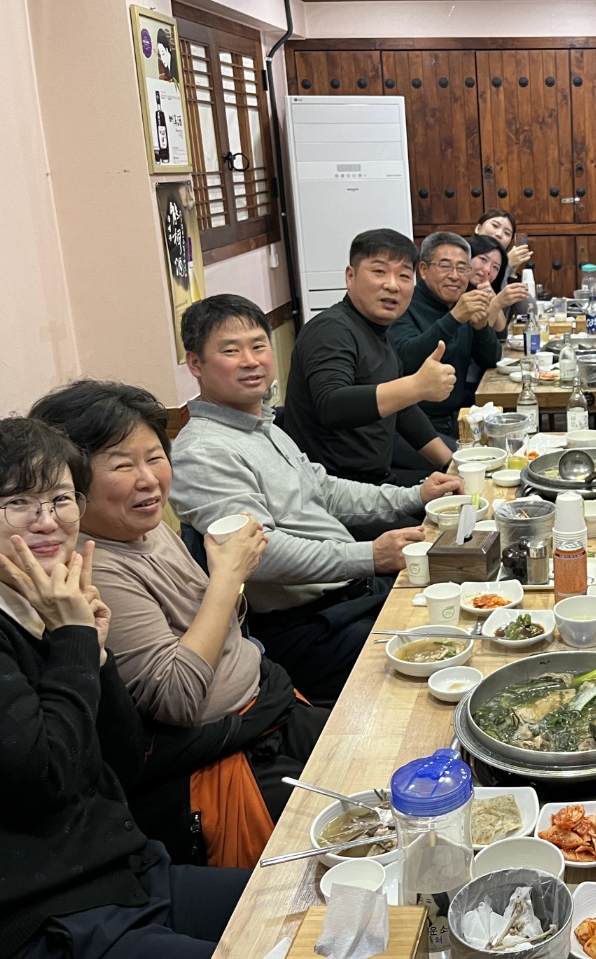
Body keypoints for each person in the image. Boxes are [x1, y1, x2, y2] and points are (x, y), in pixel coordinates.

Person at [0, 416, 249, 958]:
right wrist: (73, 641)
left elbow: (124, 762)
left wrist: (92, 653)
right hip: (40, 915)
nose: (49, 521)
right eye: (19, 503)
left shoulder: (46, 610)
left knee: (316, 900)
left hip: (128, 878)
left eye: (60, 499)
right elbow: (46, 780)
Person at [31, 380, 331, 869]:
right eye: (122, 465)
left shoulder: (146, 530)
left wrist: (227, 582)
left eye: (155, 457)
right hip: (215, 762)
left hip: (267, 710)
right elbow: (177, 697)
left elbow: (223, 633)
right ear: (70, 484)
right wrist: (227, 577)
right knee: (343, 842)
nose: (149, 479)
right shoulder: (94, 567)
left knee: (391, 760)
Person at [170, 294, 459, 703]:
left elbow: (325, 490)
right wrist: (369, 555)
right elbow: (259, 554)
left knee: (465, 605)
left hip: (352, 597)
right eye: (231, 351)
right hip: (308, 628)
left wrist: (416, 495)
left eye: (258, 345)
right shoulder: (203, 451)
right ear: (195, 364)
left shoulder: (261, 424)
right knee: (449, 658)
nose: (251, 361)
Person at [282, 228, 457, 489]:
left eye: (404, 275)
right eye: (379, 271)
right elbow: (331, 405)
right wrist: (416, 386)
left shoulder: (379, 333)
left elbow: (402, 409)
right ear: (350, 276)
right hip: (334, 493)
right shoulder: (331, 329)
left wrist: (452, 464)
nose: (392, 285)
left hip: (377, 482)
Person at [389, 232, 510, 440]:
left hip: (456, 418)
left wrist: (481, 328)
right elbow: (406, 360)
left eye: (462, 268)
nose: (455, 276)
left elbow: (492, 360)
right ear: (423, 269)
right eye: (445, 266)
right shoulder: (405, 304)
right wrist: (454, 318)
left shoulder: (461, 303)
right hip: (413, 425)